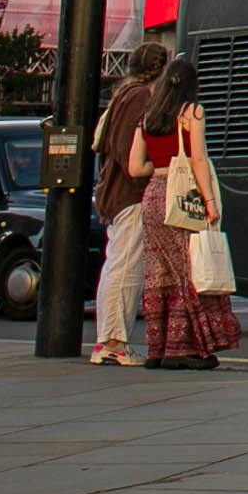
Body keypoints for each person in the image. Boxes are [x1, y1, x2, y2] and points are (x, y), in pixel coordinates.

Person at [128, 55, 240, 367]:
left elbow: (135, 167)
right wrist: (210, 202)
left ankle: (157, 348)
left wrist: (160, 164)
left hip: (153, 196)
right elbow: (199, 160)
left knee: (159, 272)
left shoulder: (147, 118)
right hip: (181, 198)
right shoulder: (192, 112)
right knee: (188, 271)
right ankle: (183, 349)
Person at [88, 40, 171, 367]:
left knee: (118, 263)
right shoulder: (140, 98)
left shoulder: (123, 94)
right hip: (129, 194)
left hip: (116, 193)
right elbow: (128, 152)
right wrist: (154, 168)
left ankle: (109, 340)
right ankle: (113, 342)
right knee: (126, 266)